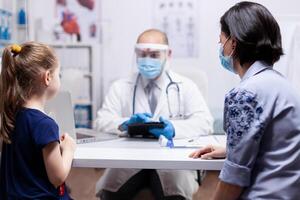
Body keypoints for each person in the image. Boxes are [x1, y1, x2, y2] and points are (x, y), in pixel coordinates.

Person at [190, 2, 300, 200]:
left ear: (233, 43)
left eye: (221, 42)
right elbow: (275, 145)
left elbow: (234, 178)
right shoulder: (283, 86)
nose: (220, 48)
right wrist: (230, 149)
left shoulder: (244, 94)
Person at [94, 29, 213, 200]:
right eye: (142, 54)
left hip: (171, 160)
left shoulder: (186, 86)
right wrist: (125, 124)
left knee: (173, 193)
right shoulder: (121, 86)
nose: (147, 60)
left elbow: (204, 122)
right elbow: (101, 121)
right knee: (111, 193)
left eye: (154, 55)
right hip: (130, 158)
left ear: (168, 54)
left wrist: (174, 129)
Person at [0, 42, 76, 199]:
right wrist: (68, 149)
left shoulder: (11, 115)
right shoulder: (45, 124)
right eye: (58, 74)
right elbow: (57, 177)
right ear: (48, 77)